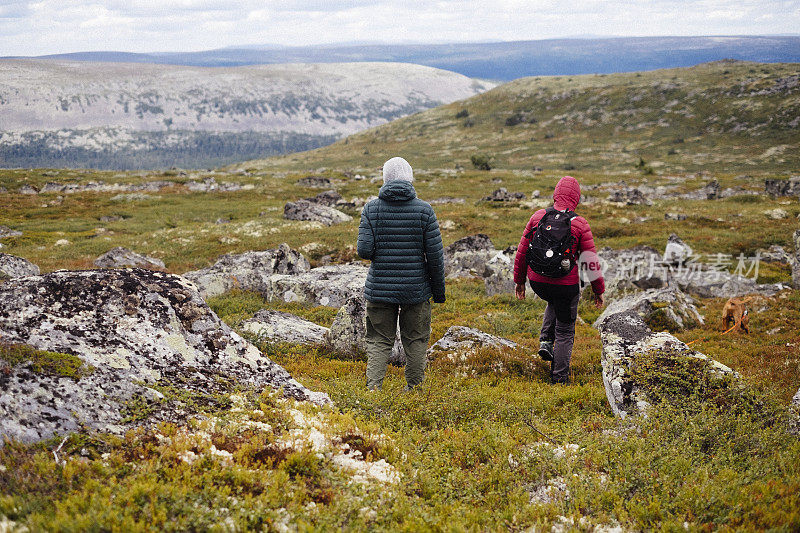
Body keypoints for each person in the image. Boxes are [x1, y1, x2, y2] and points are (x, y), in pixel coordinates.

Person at [357, 157, 446, 390]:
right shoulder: (424, 211)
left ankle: (373, 389)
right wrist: (438, 293)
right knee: (416, 340)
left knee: (378, 340)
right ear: (410, 178)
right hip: (416, 289)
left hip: (379, 288)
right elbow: (435, 258)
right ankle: (414, 389)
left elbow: (364, 251)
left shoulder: (371, 209)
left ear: (385, 178)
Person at [513, 175, 605, 384]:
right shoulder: (579, 224)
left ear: (556, 194)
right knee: (564, 330)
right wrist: (598, 290)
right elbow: (590, 262)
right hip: (565, 284)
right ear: (576, 199)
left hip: (538, 282)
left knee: (553, 300)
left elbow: (521, 251)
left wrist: (519, 281)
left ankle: (545, 341)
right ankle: (559, 379)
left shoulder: (538, 216)